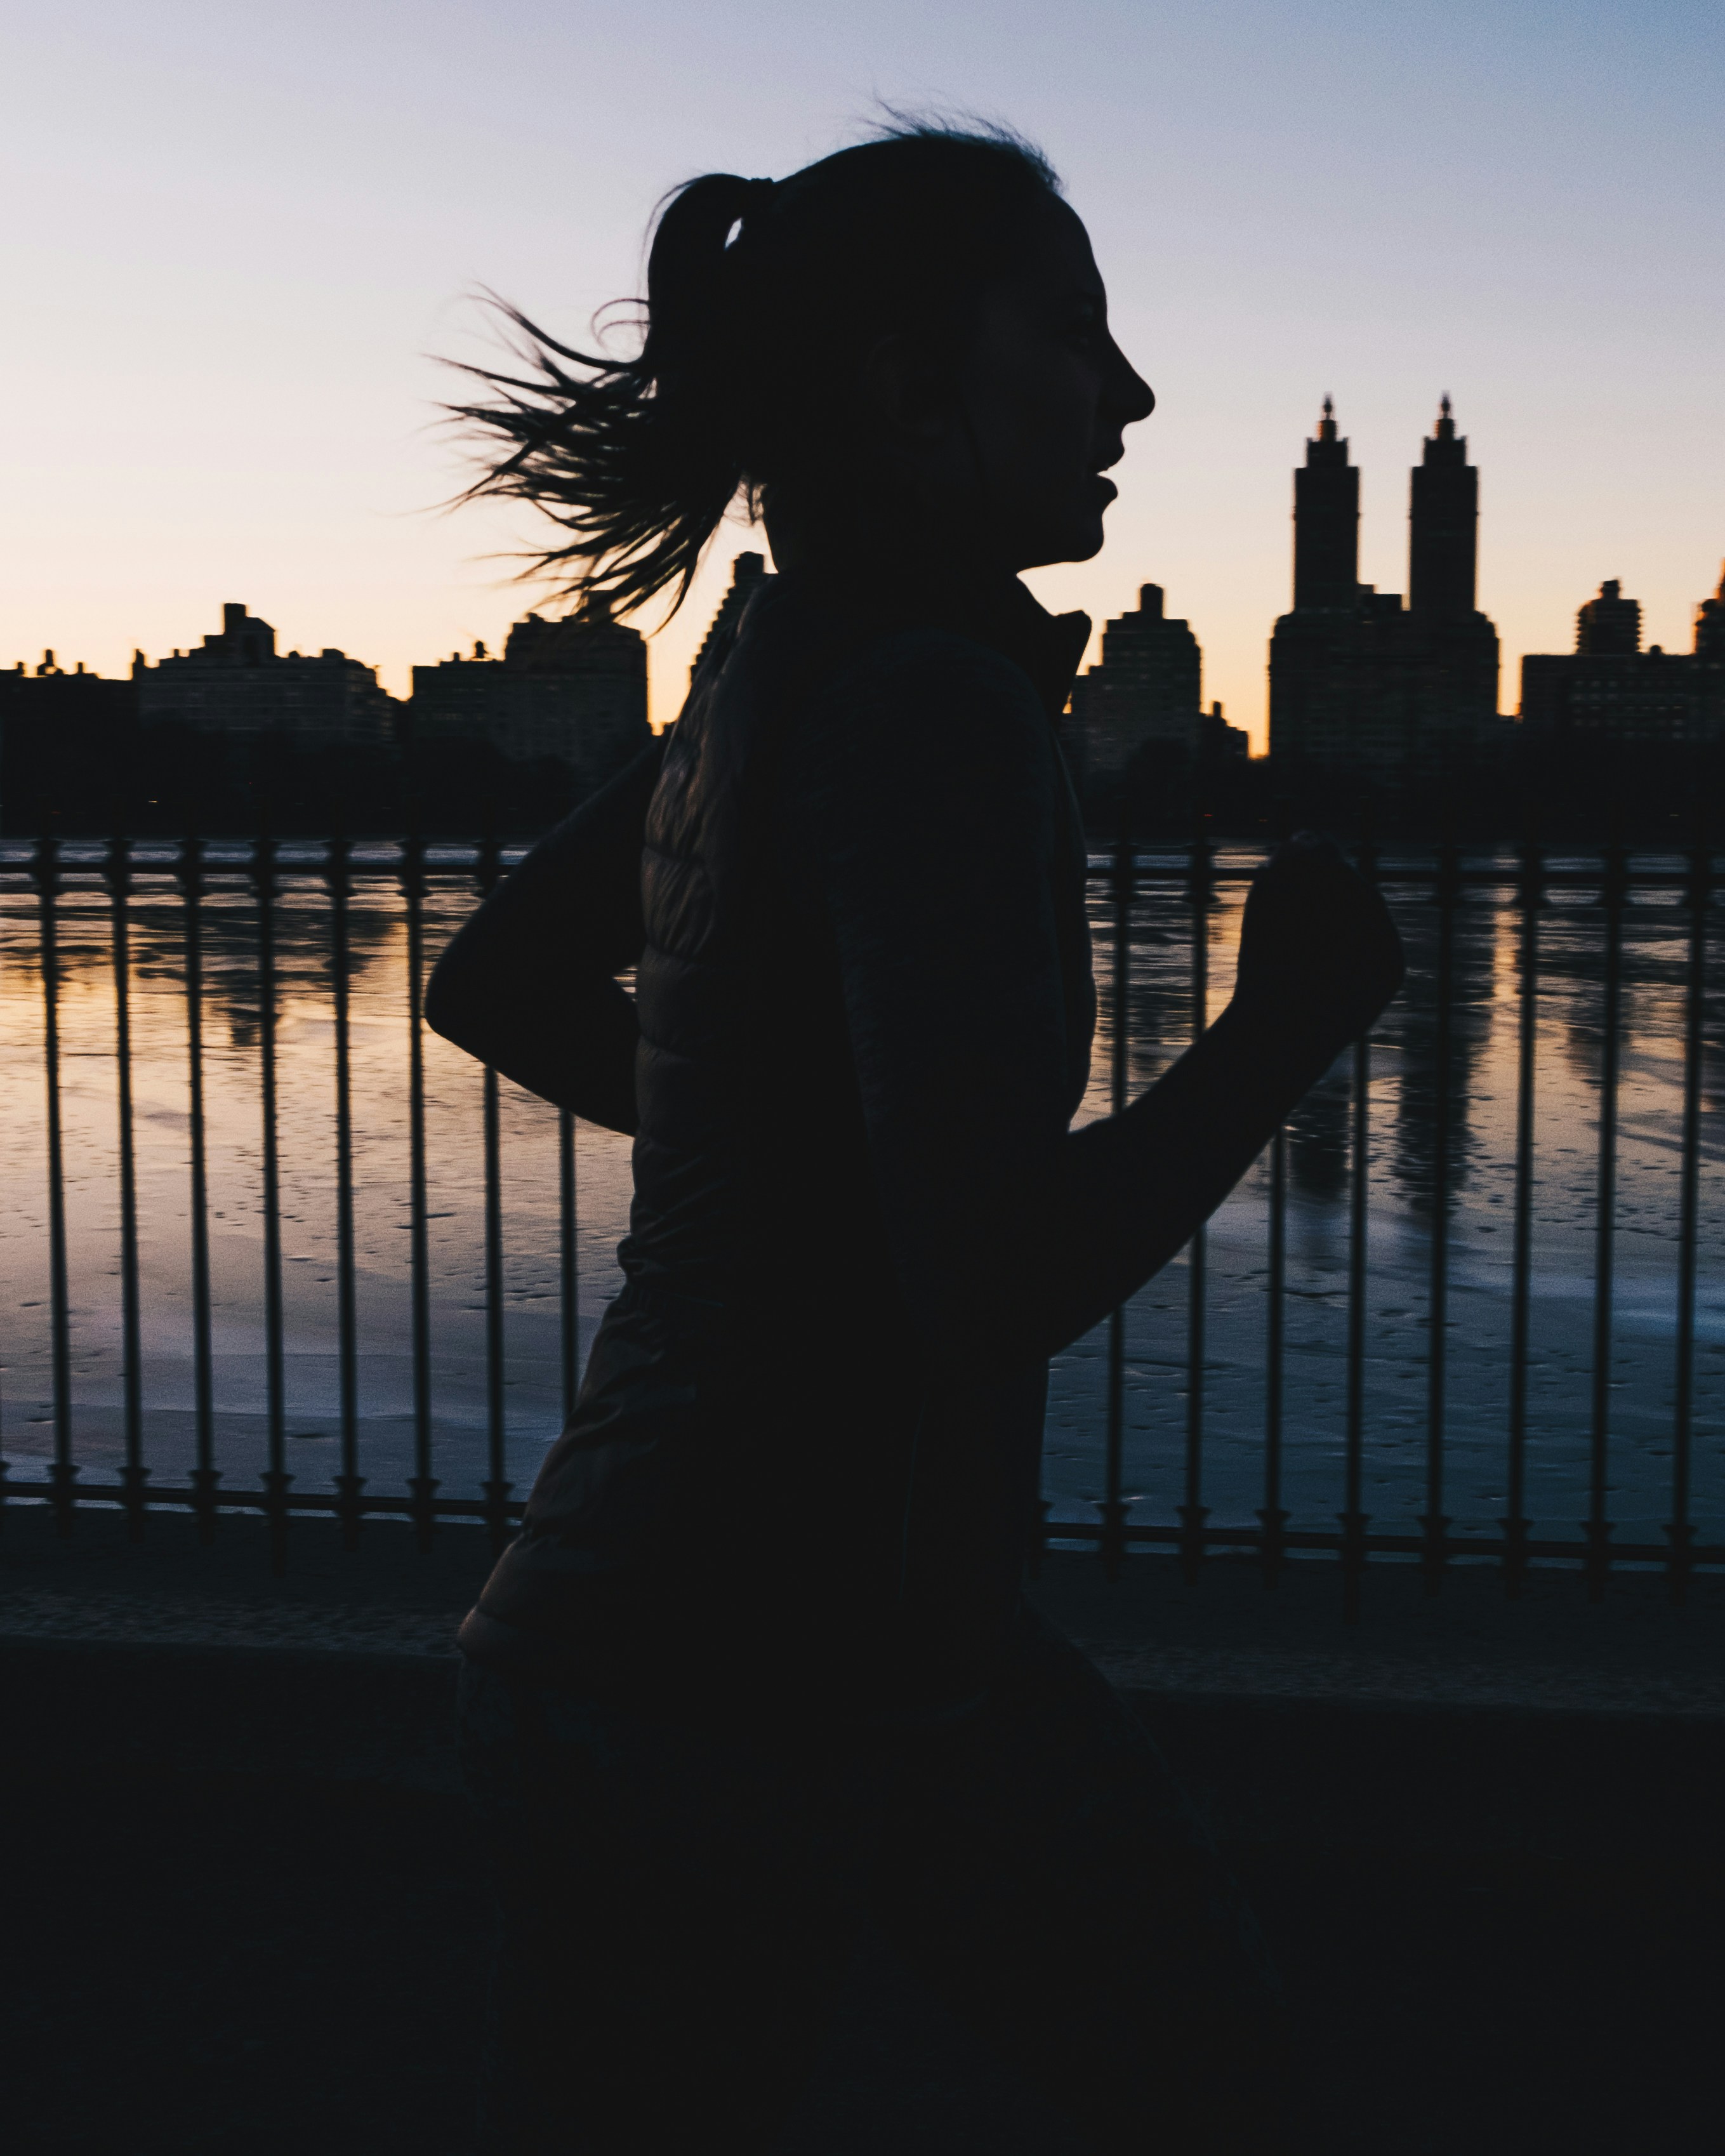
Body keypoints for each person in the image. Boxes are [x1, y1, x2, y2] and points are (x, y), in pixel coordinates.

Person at [429, 122, 1403, 2156]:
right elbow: (998, 1284)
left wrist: (784, 1162)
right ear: (902, 386)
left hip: (693, 1643)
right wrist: (1280, 1033)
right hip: (767, 1681)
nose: (1126, 394)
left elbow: (496, 986)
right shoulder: (937, 711)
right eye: (1070, 332)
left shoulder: (769, 677)